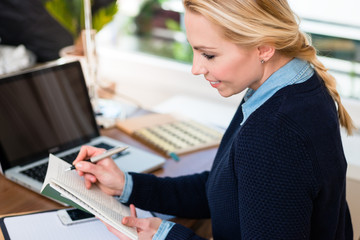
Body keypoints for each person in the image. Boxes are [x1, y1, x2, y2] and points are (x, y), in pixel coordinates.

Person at [73, 0, 356, 239]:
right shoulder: (290, 88)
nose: (197, 68)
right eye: (195, 50)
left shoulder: (274, 130)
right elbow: (226, 189)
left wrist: (166, 235)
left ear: (264, 48)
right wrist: (127, 185)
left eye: (208, 54)